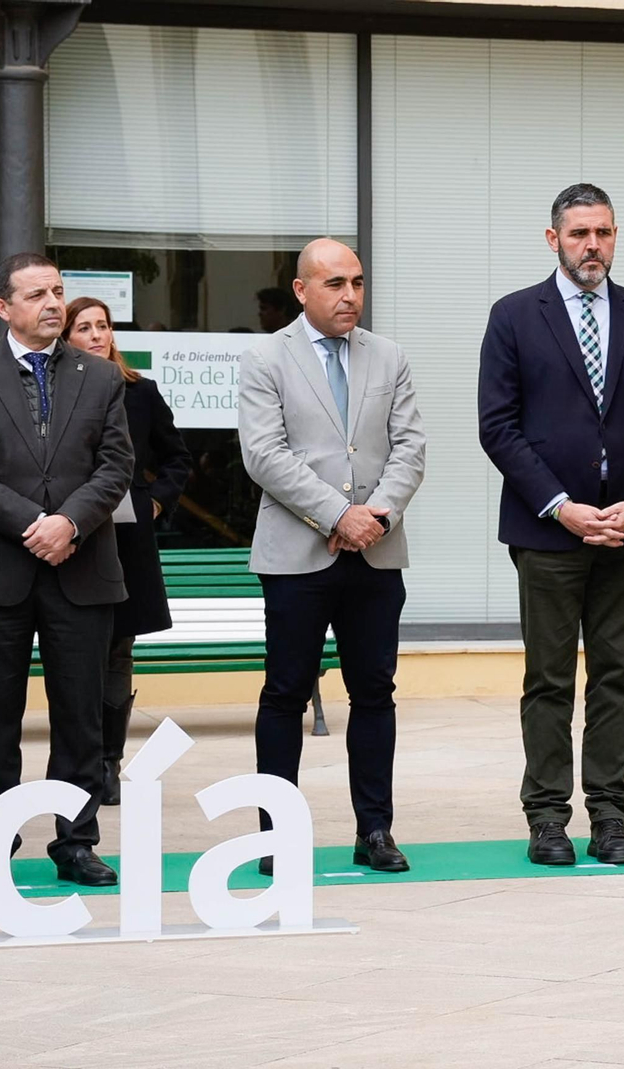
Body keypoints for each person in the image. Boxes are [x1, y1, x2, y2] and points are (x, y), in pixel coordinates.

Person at [478, 183, 624, 867]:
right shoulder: (514, 316)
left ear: (615, 236)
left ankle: (609, 816)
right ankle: (546, 818)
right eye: (578, 234)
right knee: (548, 679)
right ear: (553, 240)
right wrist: (560, 505)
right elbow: (498, 427)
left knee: (615, 677)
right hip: (547, 533)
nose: (592, 245)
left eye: (602, 233)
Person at [0, 252, 135, 890]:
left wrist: (70, 523)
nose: (54, 303)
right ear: (3, 308)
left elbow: (115, 467)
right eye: (37, 295)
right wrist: (35, 525)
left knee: (80, 714)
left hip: (82, 569)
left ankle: (76, 842)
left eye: (58, 291)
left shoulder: (100, 377)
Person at [238, 237, 426, 876]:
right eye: (335, 284)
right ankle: (274, 837)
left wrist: (374, 515)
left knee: (374, 693)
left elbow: (410, 449)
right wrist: (336, 514)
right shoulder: (266, 357)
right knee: (286, 693)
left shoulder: (389, 356)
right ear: (301, 290)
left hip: (375, 553)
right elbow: (265, 455)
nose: (350, 296)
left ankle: (375, 830)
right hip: (297, 556)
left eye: (357, 282)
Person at [64, 297, 193, 805]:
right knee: (78, 650)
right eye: (85, 327)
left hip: (128, 540)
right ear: (66, 337)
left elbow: (177, 458)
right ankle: (78, 755)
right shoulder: (56, 391)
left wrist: (156, 504)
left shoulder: (140, 392)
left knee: (118, 650)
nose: (97, 335)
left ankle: (107, 762)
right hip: (73, 537)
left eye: (103, 326)